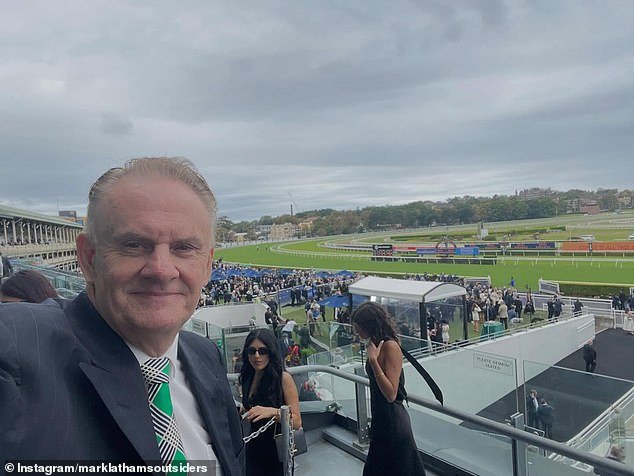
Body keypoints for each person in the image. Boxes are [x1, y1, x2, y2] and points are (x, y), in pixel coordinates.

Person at [0, 157, 244, 474]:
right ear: (89, 258)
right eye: (134, 245)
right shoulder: (15, 347)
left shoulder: (205, 356)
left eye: (184, 247)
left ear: (208, 265)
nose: (161, 270)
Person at [351, 302, 426, 476]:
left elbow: (391, 394)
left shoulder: (390, 346)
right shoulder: (376, 345)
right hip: (381, 421)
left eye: (358, 326)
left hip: (393, 423)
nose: (356, 331)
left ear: (369, 325)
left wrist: (373, 362)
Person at [239, 328, 301, 476]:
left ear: (271, 352)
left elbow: (297, 421)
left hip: (276, 451)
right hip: (253, 448)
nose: (257, 356)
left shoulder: (283, 378)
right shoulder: (248, 377)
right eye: (252, 351)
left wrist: (273, 412)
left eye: (263, 351)